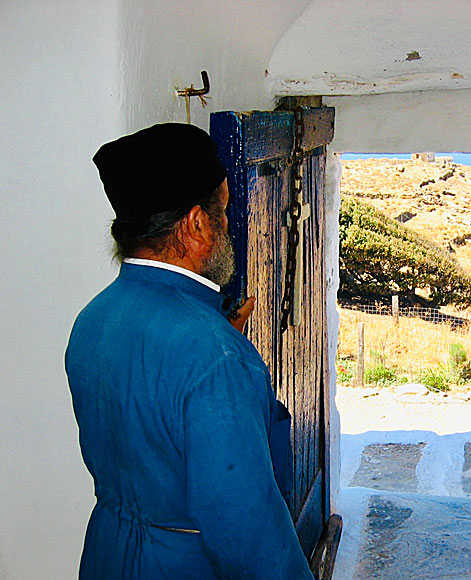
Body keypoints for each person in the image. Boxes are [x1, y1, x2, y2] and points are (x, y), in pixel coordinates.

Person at [65, 123, 314, 579]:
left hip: (108, 556)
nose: (229, 224)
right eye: (224, 209)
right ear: (197, 225)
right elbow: (245, 528)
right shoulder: (214, 355)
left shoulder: (94, 318)